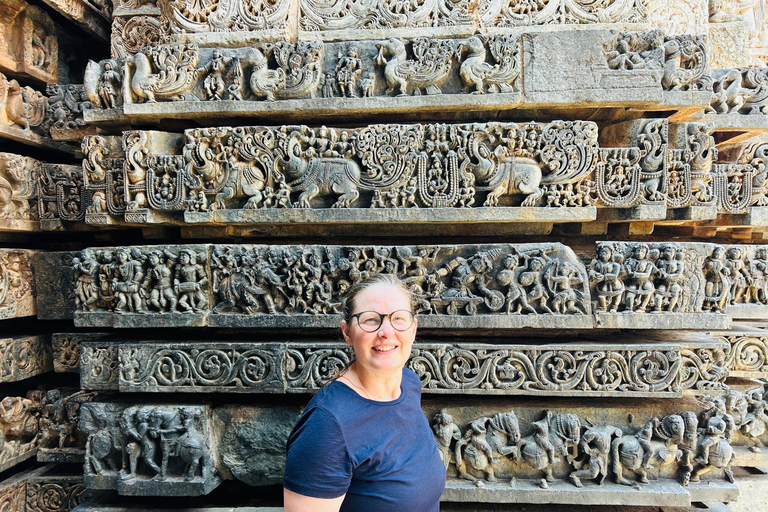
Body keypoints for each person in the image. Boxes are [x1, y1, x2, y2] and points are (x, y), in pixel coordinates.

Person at [283, 274, 445, 512]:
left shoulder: (409, 384)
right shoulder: (328, 426)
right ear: (347, 332)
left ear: (413, 328)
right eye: (370, 320)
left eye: (399, 318)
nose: (386, 331)